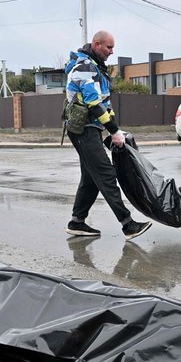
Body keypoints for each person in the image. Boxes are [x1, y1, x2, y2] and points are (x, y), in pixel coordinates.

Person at [63, 30, 152, 240]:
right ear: (96, 45)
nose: (112, 52)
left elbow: (105, 104)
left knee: (91, 178)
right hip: (82, 130)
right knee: (106, 174)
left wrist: (115, 131)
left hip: (90, 128)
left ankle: (77, 222)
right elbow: (93, 104)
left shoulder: (97, 69)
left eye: (113, 47)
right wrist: (113, 131)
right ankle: (128, 225)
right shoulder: (84, 68)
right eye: (109, 47)